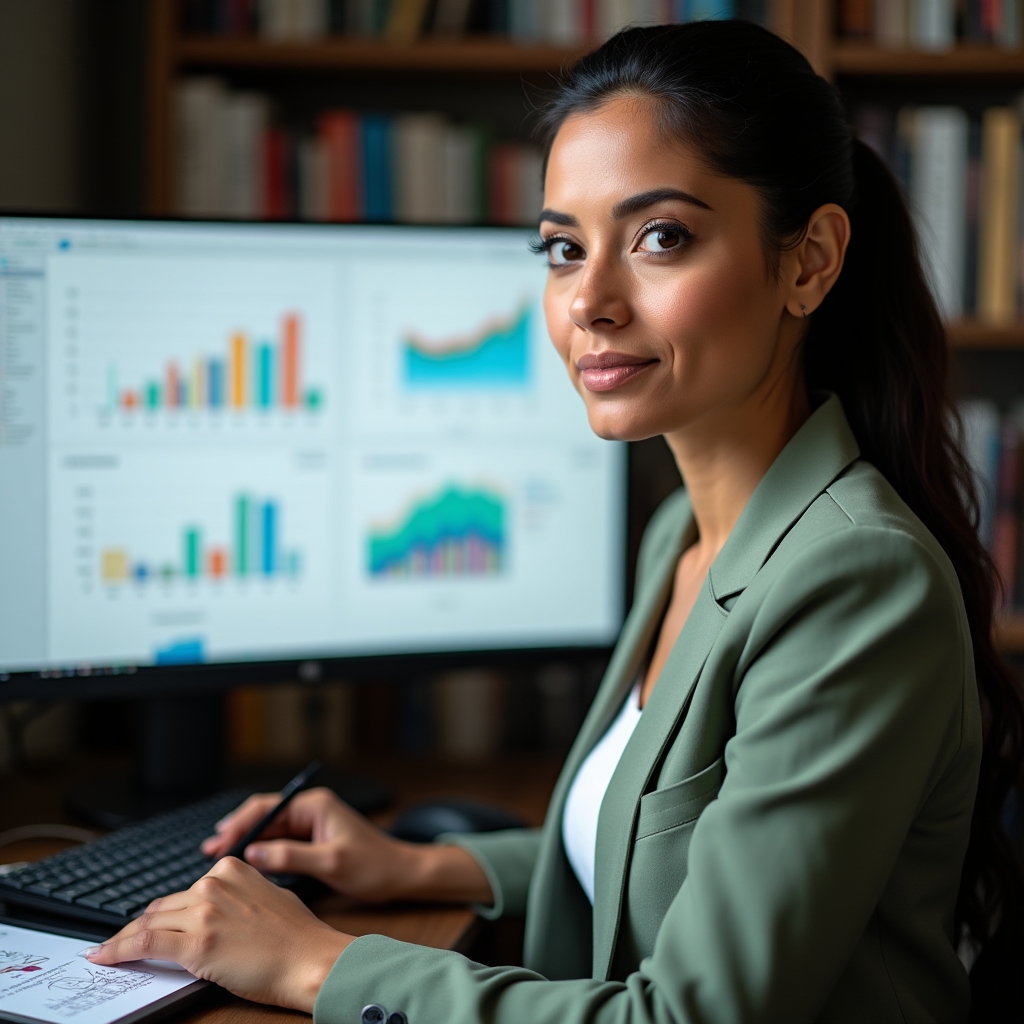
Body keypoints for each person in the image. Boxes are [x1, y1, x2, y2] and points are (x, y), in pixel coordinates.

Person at [86, 21, 1024, 1023]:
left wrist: (318, 964)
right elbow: (655, 858)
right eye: (564, 249)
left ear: (809, 262)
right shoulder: (685, 536)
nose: (590, 301)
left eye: (661, 237)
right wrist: (413, 863)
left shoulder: (854, 579)